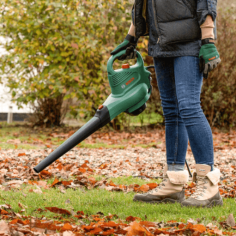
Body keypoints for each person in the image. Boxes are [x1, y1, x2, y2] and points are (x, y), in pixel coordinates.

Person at [111, 0, 222, 207]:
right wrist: (131, 36)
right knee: (172, 111)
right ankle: (174, 181)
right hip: (160, 42)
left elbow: (206, 2)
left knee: (189, 106)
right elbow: (142, 4)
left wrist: (208, 40)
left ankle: (209, 184)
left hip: (189, 41)